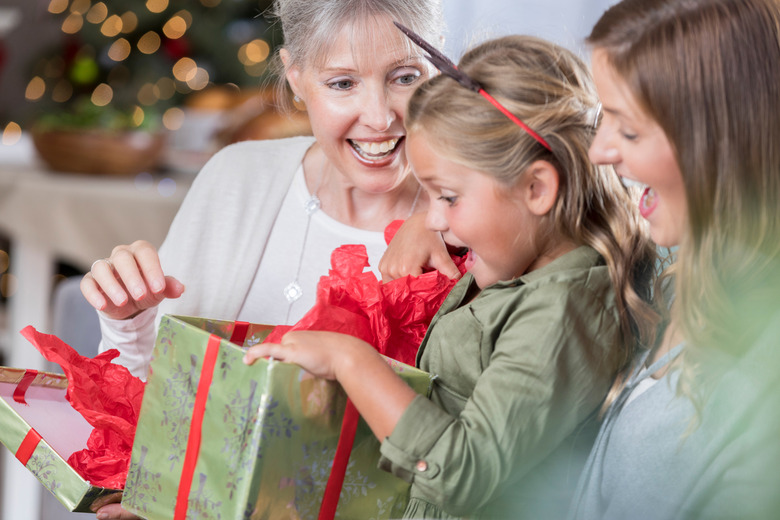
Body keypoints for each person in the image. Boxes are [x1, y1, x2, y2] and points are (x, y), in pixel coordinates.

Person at [244, 33, 657, 519]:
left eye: (448, 197)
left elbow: (461, 472)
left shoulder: (563, 312)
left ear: (538, 188)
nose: (436, 219)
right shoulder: (526, 255)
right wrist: (436, 215)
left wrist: (352, 361)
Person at [80, 0, 445, 381]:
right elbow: (146, 397)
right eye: (342, 83)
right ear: (296, 78)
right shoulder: (236, 177)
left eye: (405, 77)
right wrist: (129, 323)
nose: (379, 117)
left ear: (437, 66)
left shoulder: (471, 217)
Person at [567, 0, 780, 518]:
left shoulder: (760, 397)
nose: (599, 152)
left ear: (725, 148)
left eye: (629, 130)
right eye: (603, 117)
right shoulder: (684, 252)